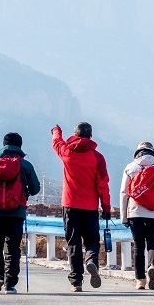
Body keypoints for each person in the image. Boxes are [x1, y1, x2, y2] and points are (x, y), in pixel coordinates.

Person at [51, 121, 111, 292]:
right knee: (92, 240)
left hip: (70, 206)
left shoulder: (66, 151)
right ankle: (91, 261)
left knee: (73, 243)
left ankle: (76, 282)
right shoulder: (97, 157)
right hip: (90, 207)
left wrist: (56, 131)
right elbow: (103, 185)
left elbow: (57, 142)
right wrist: (106, 207)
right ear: (91, 136)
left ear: (75, 135)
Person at [0, 132, 41, 294]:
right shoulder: (25, 165)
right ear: (19, 146)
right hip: (17, 212)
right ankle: (10, 284)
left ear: (4, 145)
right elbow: (36, 189)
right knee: (13, 247)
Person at [120, 141, 154, 290]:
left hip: (135, 212)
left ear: (138, 153)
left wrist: (123, 217)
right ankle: (152, 267)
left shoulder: (130, 168)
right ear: (153, 153)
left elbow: (124, 194)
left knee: (138, 247)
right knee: (152, 244)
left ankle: (140, 280)